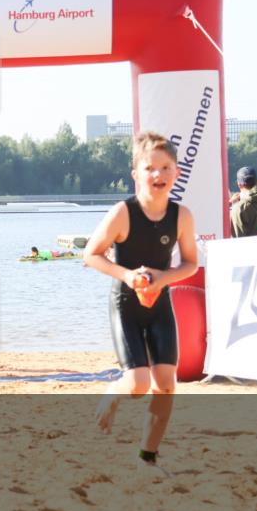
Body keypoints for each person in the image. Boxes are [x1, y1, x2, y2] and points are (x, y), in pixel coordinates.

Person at [83, 132, 199, 473]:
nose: (158, 175)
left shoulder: (182, 216)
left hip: (160, 305)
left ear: (176, 172)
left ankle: (148, 456)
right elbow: (90, 254)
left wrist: (164, 278)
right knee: (137, 384)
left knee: (166, 384)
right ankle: (114, 392)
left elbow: (190, 263)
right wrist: (127, 276)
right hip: (126, 305)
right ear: (136, 173)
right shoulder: (122, 213)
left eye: (165, 168)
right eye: (149, 168)